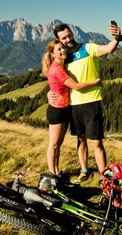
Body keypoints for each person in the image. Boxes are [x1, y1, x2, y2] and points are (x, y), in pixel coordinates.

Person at [51, 22, 122, 183]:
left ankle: (104, 176)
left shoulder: (87, 48)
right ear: (59, 40)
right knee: (81, 139)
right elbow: (54, 78)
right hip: (73, 104)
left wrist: (117, 37)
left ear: (72, 34)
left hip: (91, 102)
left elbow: (108, 49)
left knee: (96, 142)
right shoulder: (63, 57)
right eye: (64, 38)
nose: (68, 39)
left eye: (69, 35)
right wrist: (50, 93)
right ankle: (84, 171)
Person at [39, 39, 101, 192]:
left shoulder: (60, 66)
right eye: (59, 49)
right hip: (57, 110)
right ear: (53, 54)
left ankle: (56, 172)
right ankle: (52, 173)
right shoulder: (57, 68)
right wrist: (96, 82)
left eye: (63, 48)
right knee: (53, 145)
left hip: (63, 108)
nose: (63, 51)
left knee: (57, 145)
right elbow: (76, 86)